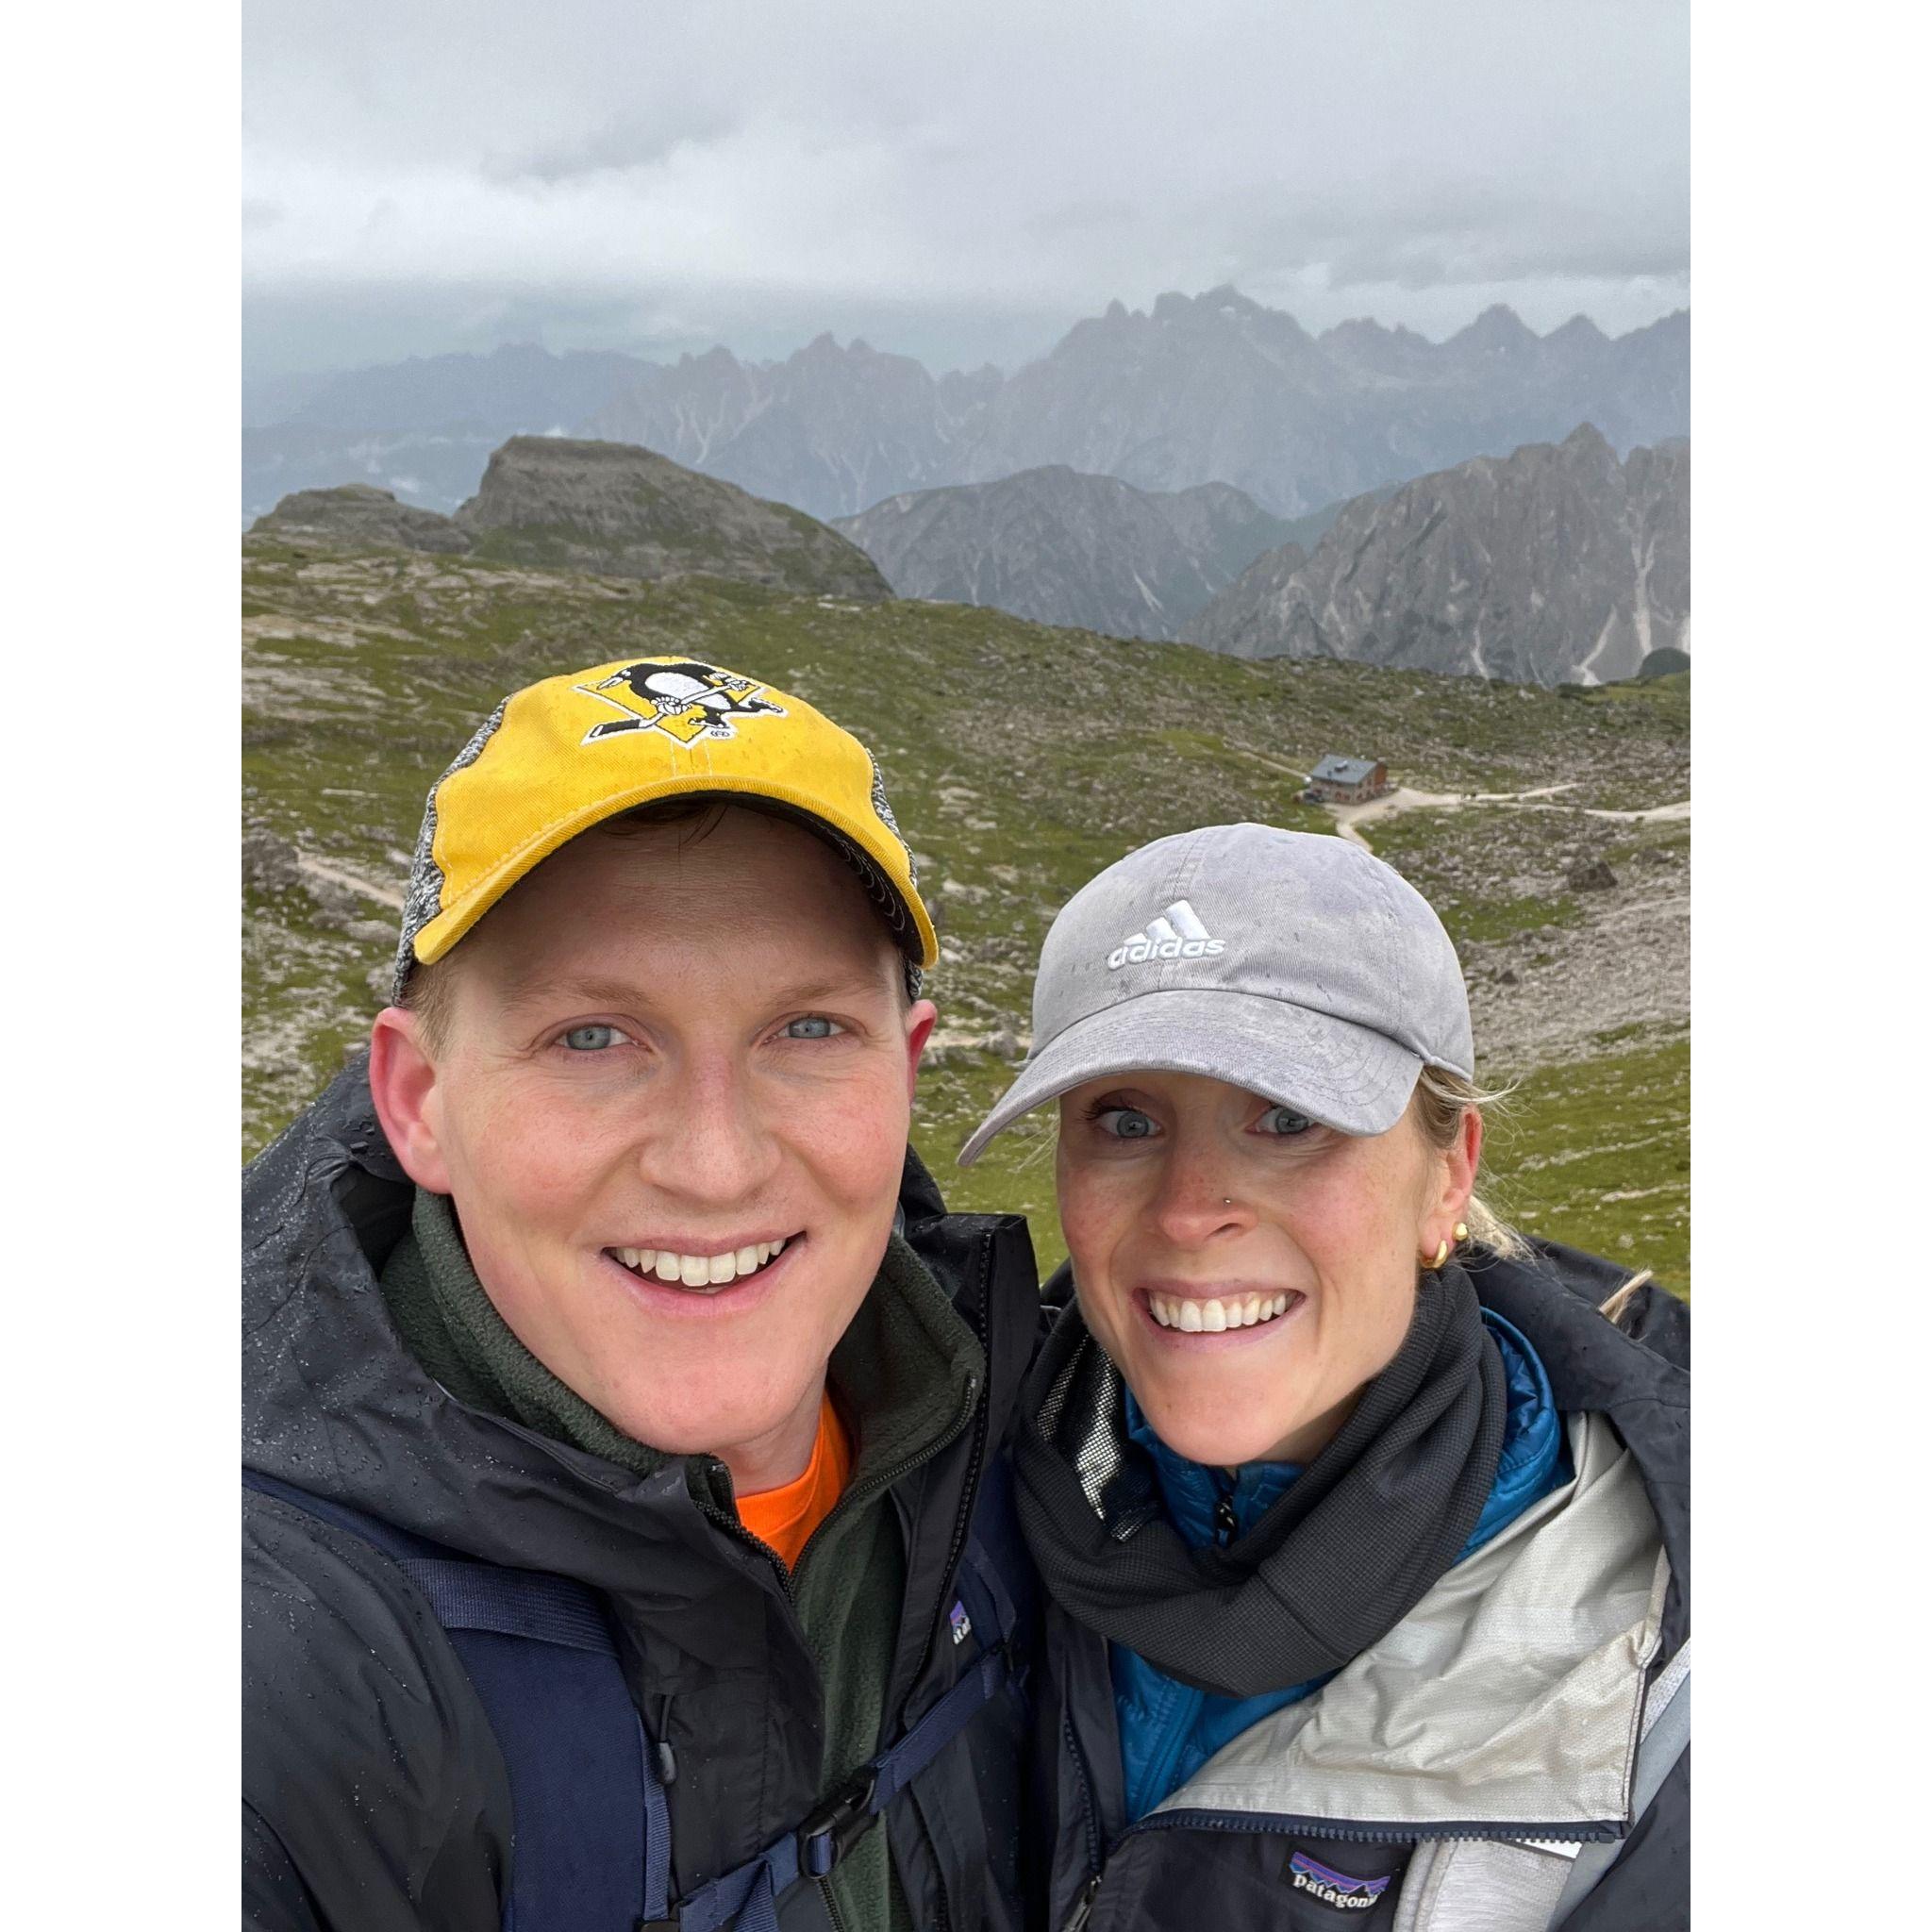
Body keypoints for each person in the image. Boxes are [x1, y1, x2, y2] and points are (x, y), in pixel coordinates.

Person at [243, 656, 1041, 1932]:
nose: (715, 1163)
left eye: (808, 1030)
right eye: (594, 1038)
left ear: (908, 1071)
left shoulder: (1012, 1421)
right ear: (418, 1104)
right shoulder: (274, 1683)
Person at [959, 823, 1689, 1932]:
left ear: (1447, 1174)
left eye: (1287, 1118)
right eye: (1122, 1118)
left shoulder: (1666, 1680)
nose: (1187, 1207)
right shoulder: (941, 1488)